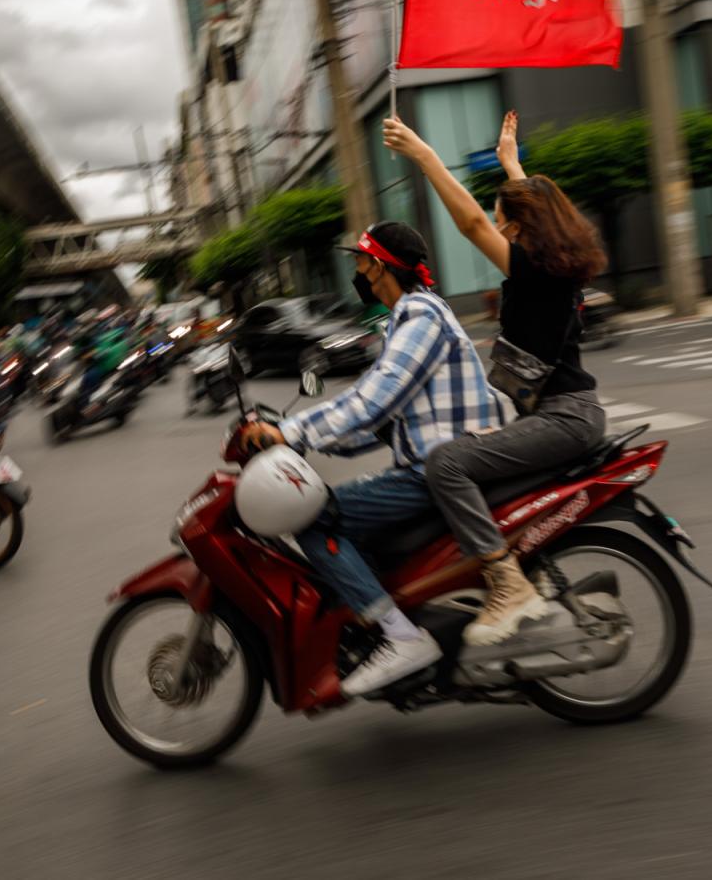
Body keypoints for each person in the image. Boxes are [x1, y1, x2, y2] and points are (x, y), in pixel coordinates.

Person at [238, 222, 501, 697]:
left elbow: (372, 401)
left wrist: (289, 430)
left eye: (360, 261)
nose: (356, 271)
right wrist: (305, 441)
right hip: (427, 462)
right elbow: (381, 420)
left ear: (378, 266)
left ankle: (401, 638)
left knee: (314, 518)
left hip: (434, 471)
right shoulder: (404, 319)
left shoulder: (421, 315)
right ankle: (386, 620)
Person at [383, 110, 609, 647]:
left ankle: (507, 585)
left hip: (565, 418)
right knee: (462, 456)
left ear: (518, 226)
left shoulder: (533, 269)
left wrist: (422, 153)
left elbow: (471, 224)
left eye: (502, 213)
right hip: (563, 415)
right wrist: (510, 162)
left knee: (446, 464)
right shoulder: (554, 266)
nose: (493, 217)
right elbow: (519, 212)